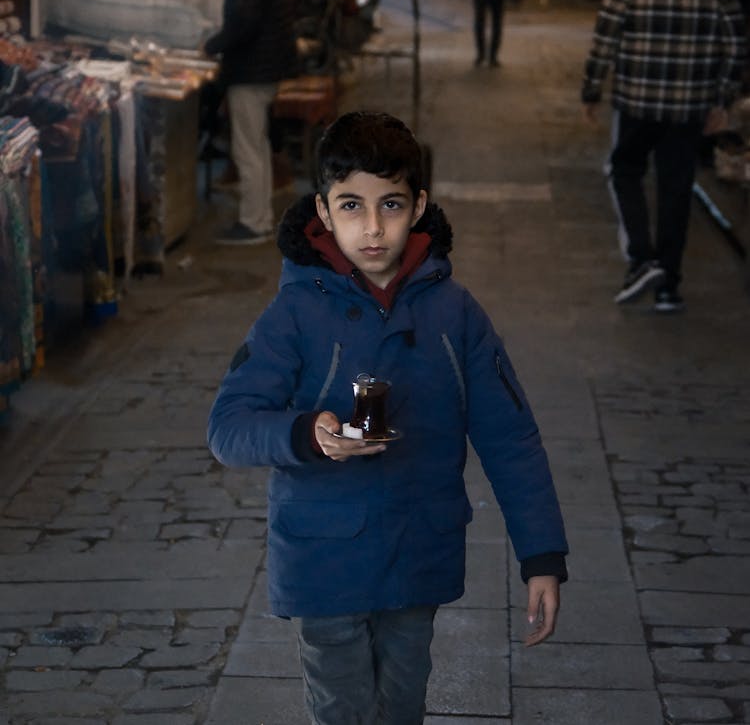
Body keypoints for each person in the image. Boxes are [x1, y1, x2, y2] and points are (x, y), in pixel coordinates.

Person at [207, 110, 568, 725]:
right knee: (342, 711)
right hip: (324, 561)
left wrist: (541, 557)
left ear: (419, 205)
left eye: (391, 206)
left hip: (417, 556)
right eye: (351, 206)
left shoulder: (455, 314)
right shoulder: (293, 313)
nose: (372, 228)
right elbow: (229, 428)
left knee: (401, 707)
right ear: (323, 211)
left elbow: (511, 438)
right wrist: (304, 433)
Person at [581, 0, 747, 312]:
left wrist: (591, 90)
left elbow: (607, 35)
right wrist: (723, 100)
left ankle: (641, 258)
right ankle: (669, 286)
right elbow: (736, 46)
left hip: (637, 101)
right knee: (676, 188)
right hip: (690, 106)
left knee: (625, 170)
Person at [199, 0, 297, 245]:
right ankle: (261, 217)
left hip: (252, 71)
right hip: (267, 68)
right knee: (258, 145)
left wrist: (211, 47)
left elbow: (244, 23)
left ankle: (254, 223)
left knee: (248, 151)